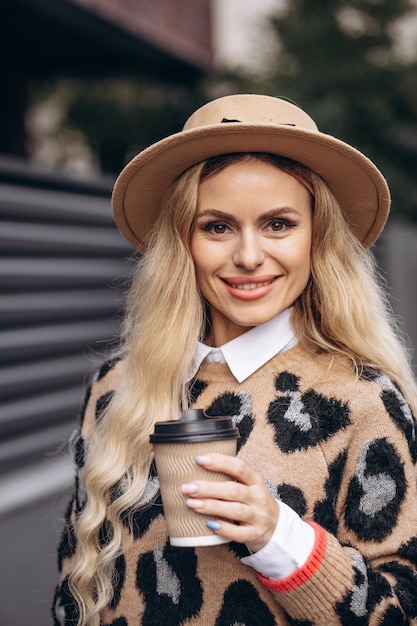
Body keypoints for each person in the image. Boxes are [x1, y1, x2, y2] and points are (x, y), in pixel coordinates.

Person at [52, 94, 417, 626]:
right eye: (217, 227)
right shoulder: (117, 387)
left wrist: (278, 536)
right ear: (183, 243)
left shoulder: (363, 398)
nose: (248, 256)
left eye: (278, 225)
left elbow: (401, 612)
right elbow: (77, 582)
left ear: (317, 239)